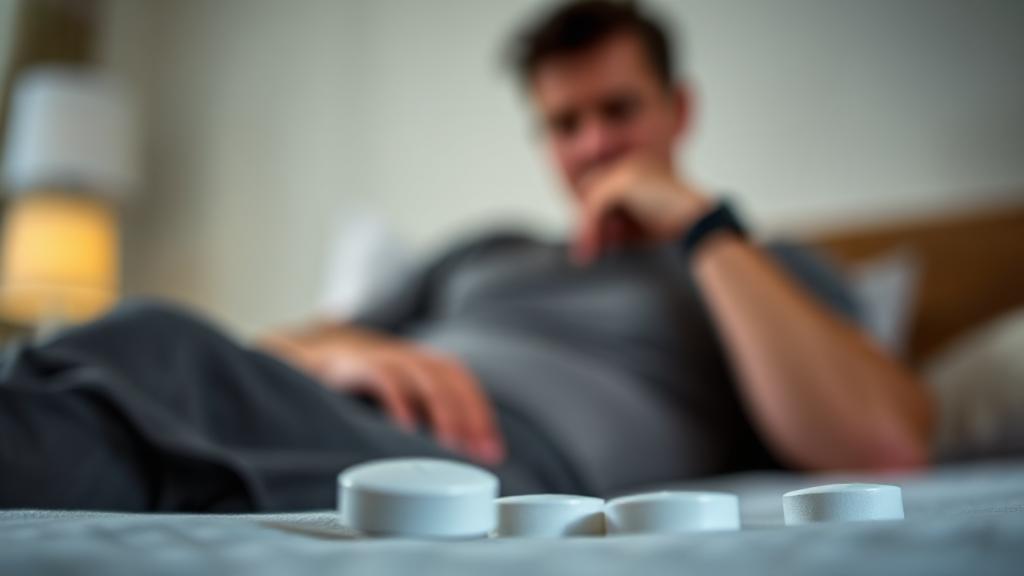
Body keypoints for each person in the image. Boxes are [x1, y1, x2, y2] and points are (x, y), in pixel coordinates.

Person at [0, 1, 931, 512]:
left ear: (678, 112)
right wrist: (344, 351)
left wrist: (701, 224)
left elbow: (882, 444)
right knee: (146, 362)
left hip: (491, 462)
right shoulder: (489, 251)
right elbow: (274, 349)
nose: (596, 145)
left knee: (148, 354)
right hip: (329, 408)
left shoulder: (758, 271)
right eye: (567, 125)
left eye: (620, 111)